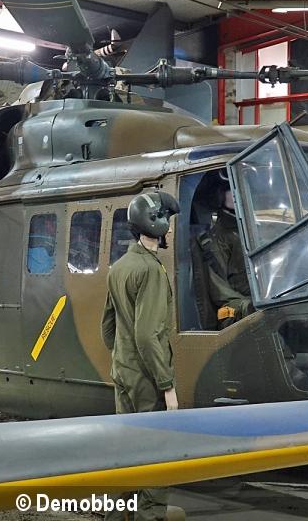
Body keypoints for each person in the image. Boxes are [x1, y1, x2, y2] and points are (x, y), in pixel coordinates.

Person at [101, 190, 180, 521]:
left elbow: (108, 327)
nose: (171, 227)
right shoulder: (150, 270)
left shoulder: (119, 267)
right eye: (167, 221)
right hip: (148, 377)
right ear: (155, 225)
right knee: (155, 451)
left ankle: (118, 514)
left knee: (127, 448)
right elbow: (148, 335)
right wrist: (166, 385)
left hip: (124, 372)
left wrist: (123, 360)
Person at [199, 178, 253, 328]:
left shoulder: (250, 229)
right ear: (220, 197)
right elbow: (220, 290)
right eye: (232, 190)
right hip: (243, 314)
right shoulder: (217, 239)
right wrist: (247, 306)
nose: (240, 194)